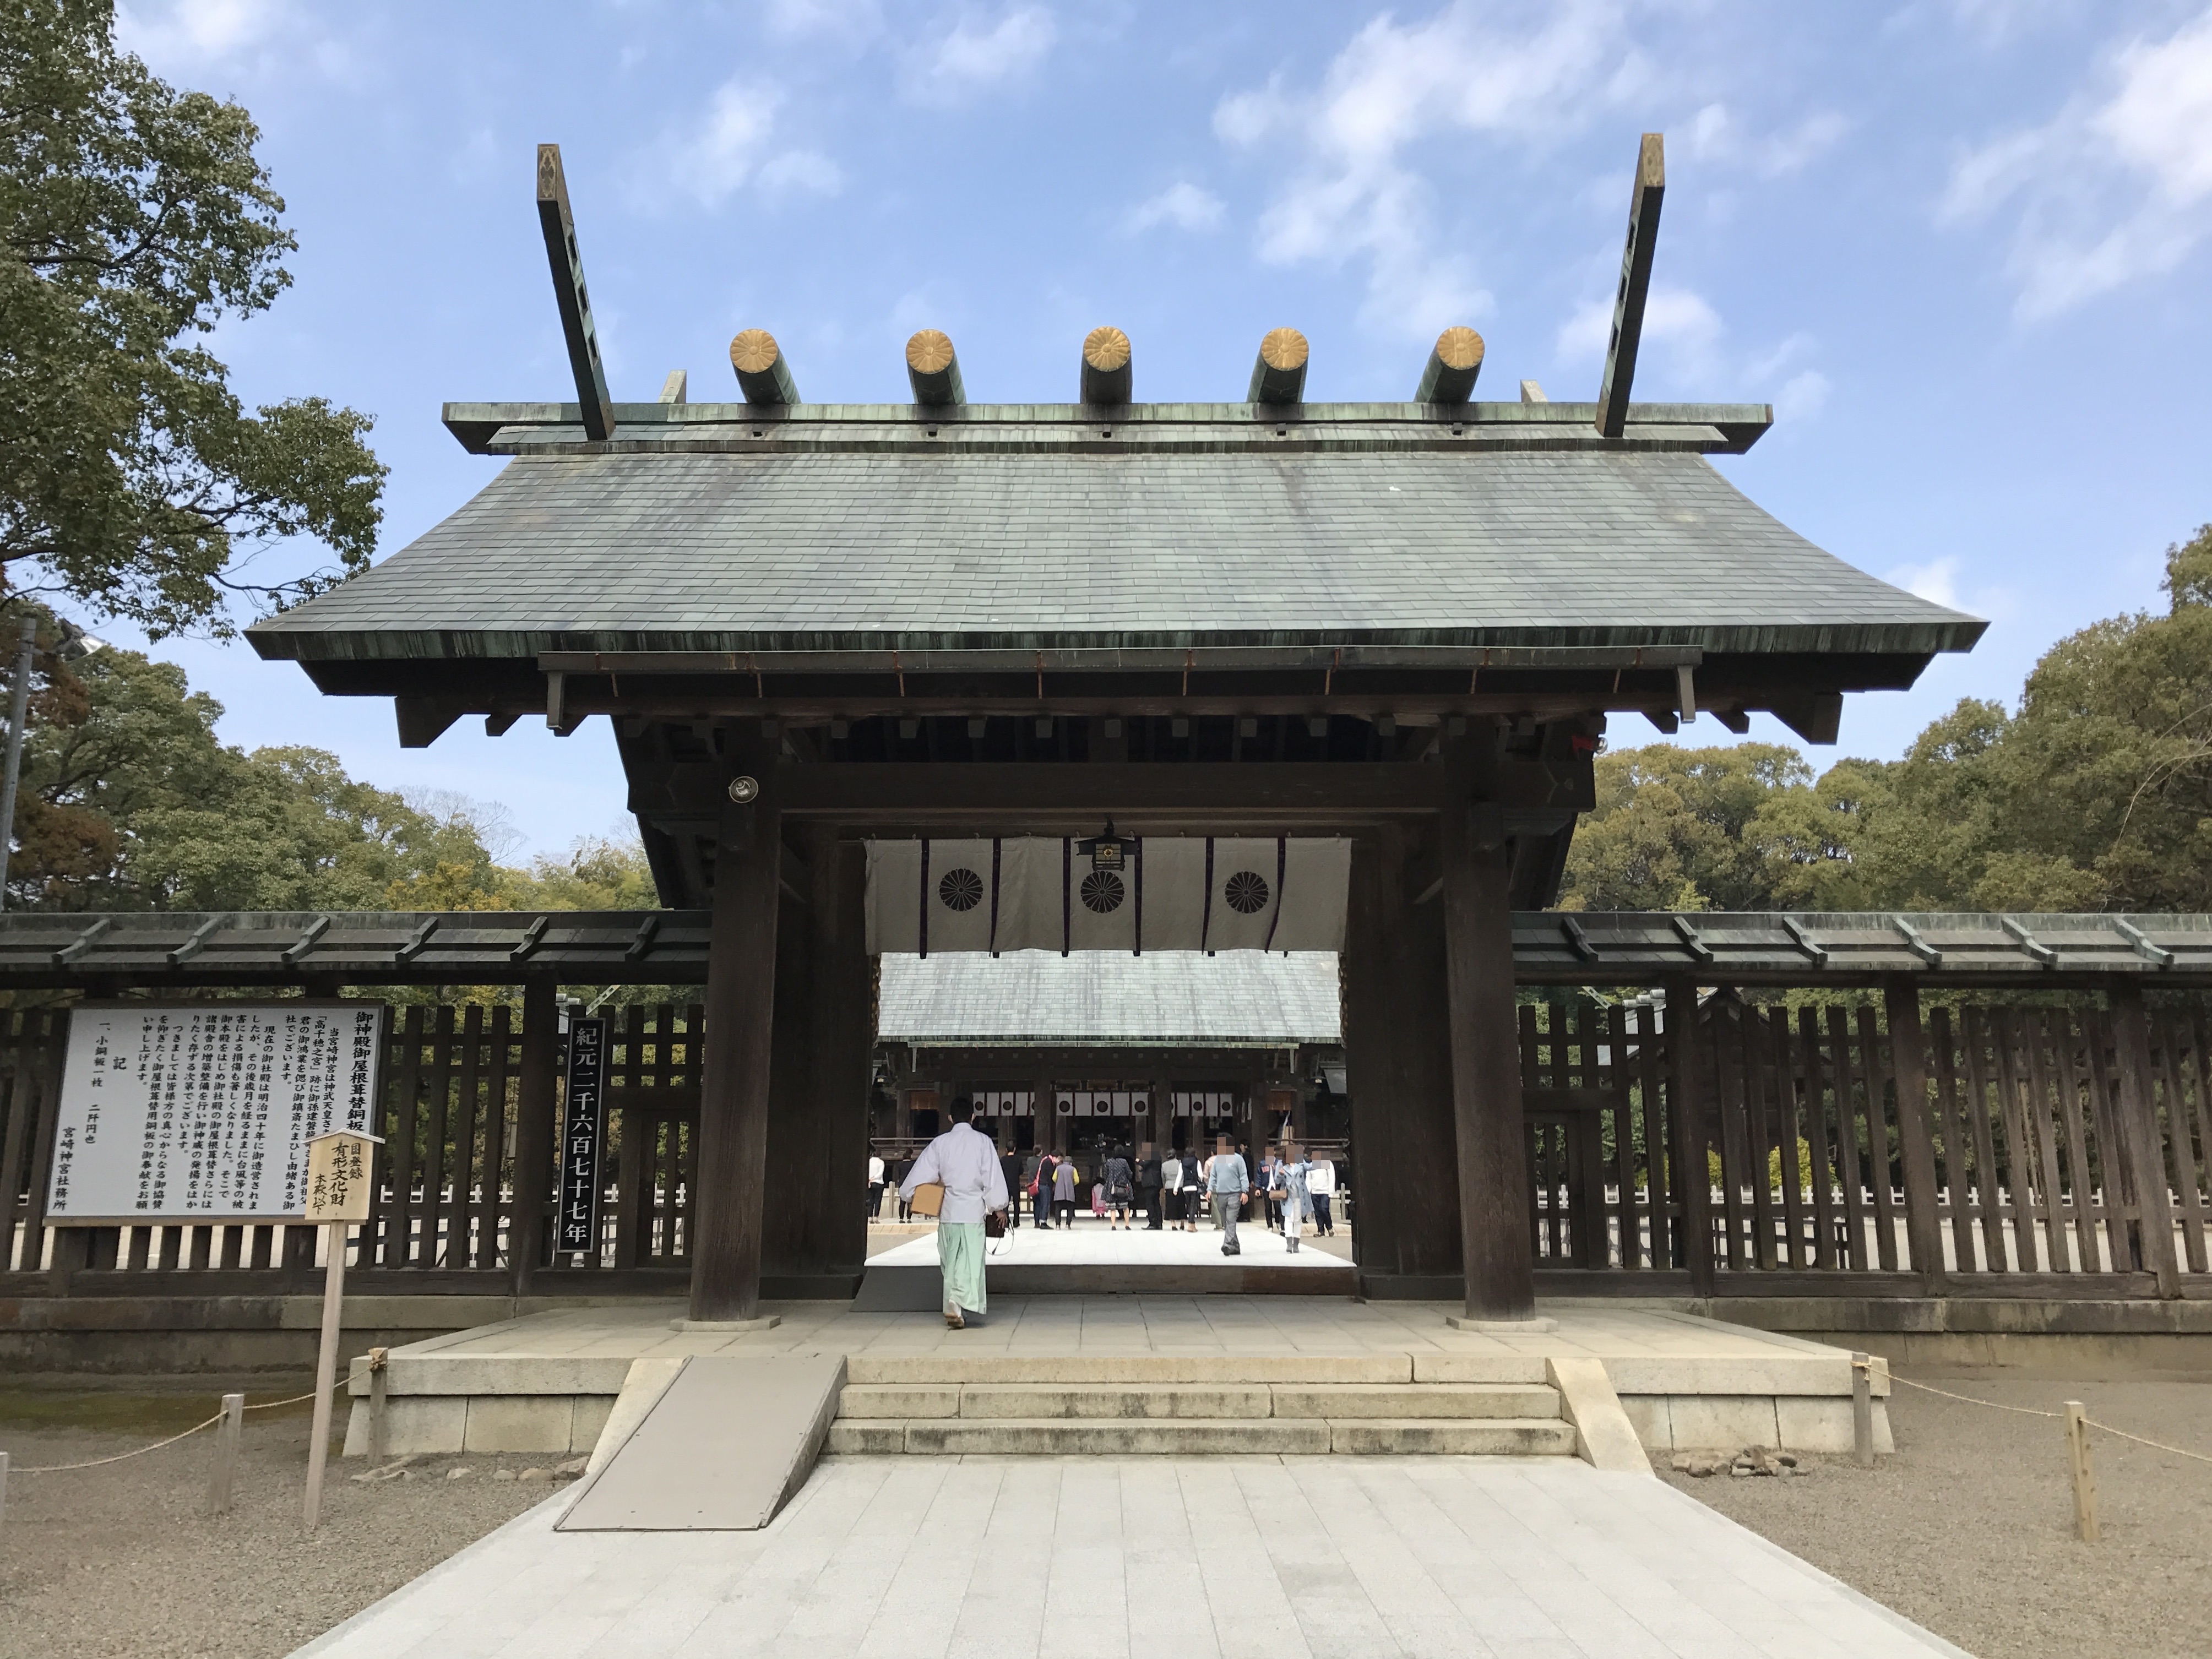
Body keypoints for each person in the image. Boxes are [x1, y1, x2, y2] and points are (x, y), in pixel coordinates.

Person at [898, 1096, 1009, 1330]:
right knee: (969, 1263)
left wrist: (908, 1195)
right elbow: (992, 1177)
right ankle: (956, 1302)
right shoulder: (983, 1142)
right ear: (973, 1117)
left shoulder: (940, 1144)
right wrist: (998, 1207)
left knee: (951, 1262)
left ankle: (954, 1303)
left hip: (949, 1212)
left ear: (950, 1118)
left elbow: (921, 1174)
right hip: (972, 1212)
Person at [1206, 1133, 1251, 1255]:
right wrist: (1209, 1190)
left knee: (1231, 1220)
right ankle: (1235, 1246)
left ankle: (1227, 1244)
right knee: (1225, 1221)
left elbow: (1243, 1176)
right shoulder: (1218, 1160)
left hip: (1234, 1194)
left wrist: (1245, 1191)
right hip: (1221, 1194)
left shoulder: (1238, 1159)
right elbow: (1213, 1176)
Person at [1271, 1141, 1313, 1254]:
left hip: (1300, 1196)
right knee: (1289, 1218)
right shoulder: (1281, 1164)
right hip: (1288, 1196)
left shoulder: (1301, 1163)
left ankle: (1296, 1244)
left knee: (1298, 1219)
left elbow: (1310, 1167)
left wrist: (1324, 1160)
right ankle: (1289, 1243)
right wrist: (1280, 1174)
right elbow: (1277, 1181)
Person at [1104, 1145, 1134, 1228]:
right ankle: (1127, 1225)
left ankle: (1113, 1226)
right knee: (1125, 1207)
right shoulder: (1124, 1162)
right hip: (1122, 1186)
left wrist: (1109, 1181)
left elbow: (1105, 1175)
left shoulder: (1109, 1162)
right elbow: (1129, 1174)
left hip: (1112, 1186)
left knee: (1113, 1207)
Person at [1307, 1151, 1336, 1236]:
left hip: (1325, 1192)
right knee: (1317, 1212)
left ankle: (1329, 1227)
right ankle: (1320, 1231)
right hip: (1315, 1192)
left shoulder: (1327, 1163)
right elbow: (1309, 1179)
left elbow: (1332, 1177)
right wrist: (1308, 1191)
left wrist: (1331, 1192)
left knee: (1324, 1209)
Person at [1138, 1144, 1165, 1230]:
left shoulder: (1151, 1157)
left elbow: (1145, 1164)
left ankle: (1152, 1222)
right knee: (1156, 1203)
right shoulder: (1158, 1158)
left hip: (1150, 1183)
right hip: (1157, 1182)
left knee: (1150, 1203)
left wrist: (1138, 1160)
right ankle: (1159, 1223)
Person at [1052, 1152, 1078, 1227]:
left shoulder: (1058, 1168)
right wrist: (1072, 1184)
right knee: (1070, 1209)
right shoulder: (1073, 1169)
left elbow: (1054, 1178)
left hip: (1059, 1192)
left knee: (1058, 1209)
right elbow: (1077, 1180)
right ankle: (1068, 1225)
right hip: (1070, 1192)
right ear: (1071, 1163)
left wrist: (1059, 1183)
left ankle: (1058, 1225)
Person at [1178, 1147, 1201, 1231]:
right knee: (1193, 1206)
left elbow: (1180, 1176)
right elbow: (1201, 1174)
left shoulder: (1182, 1162)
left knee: (1188, 1206)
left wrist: (1176, 1187)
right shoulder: (1196, 1161)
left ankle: (1192, 1224)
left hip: (1186, 1187)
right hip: (1194, 1186)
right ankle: (1191, 1224)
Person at [867, 1150, 885, 1225]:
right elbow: (880, 1173)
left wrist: (869, 1179)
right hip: (878, 1182)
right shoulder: (881, 1162)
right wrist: (874, 1178)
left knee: (870, 1200)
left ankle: (870, 1217)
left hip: (869, 1183)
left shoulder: (869, 1161)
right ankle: (876, 1217)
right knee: (878, 1200)